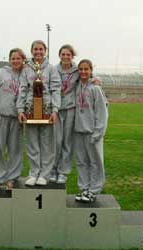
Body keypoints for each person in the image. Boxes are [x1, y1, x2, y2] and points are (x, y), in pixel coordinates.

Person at [17, 40, 61, 186]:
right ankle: (34, 173)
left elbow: (55, 90)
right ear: (31, 51)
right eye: (35, 49)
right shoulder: (26, 68)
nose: (38, 52)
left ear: (45, 51)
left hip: (46, 110)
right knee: (32, 143)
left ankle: (44, 175)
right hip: (30, 109)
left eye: (41, 49)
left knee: (47, 144)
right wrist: (20, 109)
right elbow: (23, 89)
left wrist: (55, 110)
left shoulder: (51, 69)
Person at [0, 48, 26, 191]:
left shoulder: (26, 73)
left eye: (18, 58)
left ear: (22, 60)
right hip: (2, 117)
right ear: (9, 59)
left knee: (15, 150)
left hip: (17, 118)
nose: (16, 61)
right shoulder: (0, 73)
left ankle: (12, 178)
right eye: (13, 58)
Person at [74, 59, 108, 203]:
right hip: (78, 131)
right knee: (81, 162)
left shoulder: (95, 88)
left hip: (92, 132)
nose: (83, 72)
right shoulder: (77, 86)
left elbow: (102, 112)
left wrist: (98, 132)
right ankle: (84, 189)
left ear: (91, 70)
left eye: (86, 69)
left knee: (95, 162)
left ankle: (94, 190)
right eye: (80, 69)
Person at [50, 44, 79, 184]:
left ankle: (63, 172)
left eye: (68, 54)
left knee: (67, 142)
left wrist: (96, 80)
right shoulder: (54, 69)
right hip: (56, 109)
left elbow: (88, 77)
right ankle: (53, 169)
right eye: (63, 54)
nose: (66, 56)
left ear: (72, 56)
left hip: (70, 109)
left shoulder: (77, 70)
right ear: (59, 55)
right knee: (56, 142)